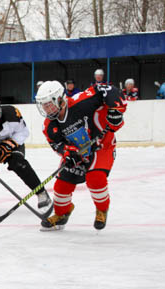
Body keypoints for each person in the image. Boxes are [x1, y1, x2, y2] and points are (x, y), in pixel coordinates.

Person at [35, 80, 127, 230]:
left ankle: (102, 210)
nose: (46, 109)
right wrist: (67, 152)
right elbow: (56, 144)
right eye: (43, 105)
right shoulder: (49, 125)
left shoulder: (81, 102)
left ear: (60, 99)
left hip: (102, 146)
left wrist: (116, 110)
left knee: (95, 178)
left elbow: (107, 89)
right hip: (79, 152)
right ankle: (62, 214)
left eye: (48, 104)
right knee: (61, 186)